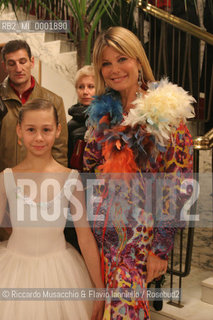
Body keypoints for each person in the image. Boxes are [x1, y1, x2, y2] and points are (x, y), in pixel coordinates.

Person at [83, 26, 194, 319]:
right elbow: (90, 165)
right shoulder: (104, 113)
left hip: (135, 247)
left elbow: (179, 187)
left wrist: (160, 248)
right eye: (106, 63)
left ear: (137, 60)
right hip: (98, 243)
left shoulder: (166, 114)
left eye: (122, 59)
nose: (114, 69)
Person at [0, 98, 104, 320]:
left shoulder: (71, 179)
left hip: (61, 274)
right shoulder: (6, 179)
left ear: (57, 130)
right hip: (13, 272)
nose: (38, 137)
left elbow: (84, 236)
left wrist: (99, 289)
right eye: (31, 129)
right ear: (19, 131)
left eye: (46, 129)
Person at [0, 40, 68, 172]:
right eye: (12, 63)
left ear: (32, 62)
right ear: (4, 66)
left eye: (22, 61)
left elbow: (60, 151)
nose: (18, 69)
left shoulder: (54, 101)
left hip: (41, 182)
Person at [67, 65, 95, 168]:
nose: (85, 92)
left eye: (91, 86)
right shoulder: (70, 125)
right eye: (81, 87)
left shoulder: (107, 119)